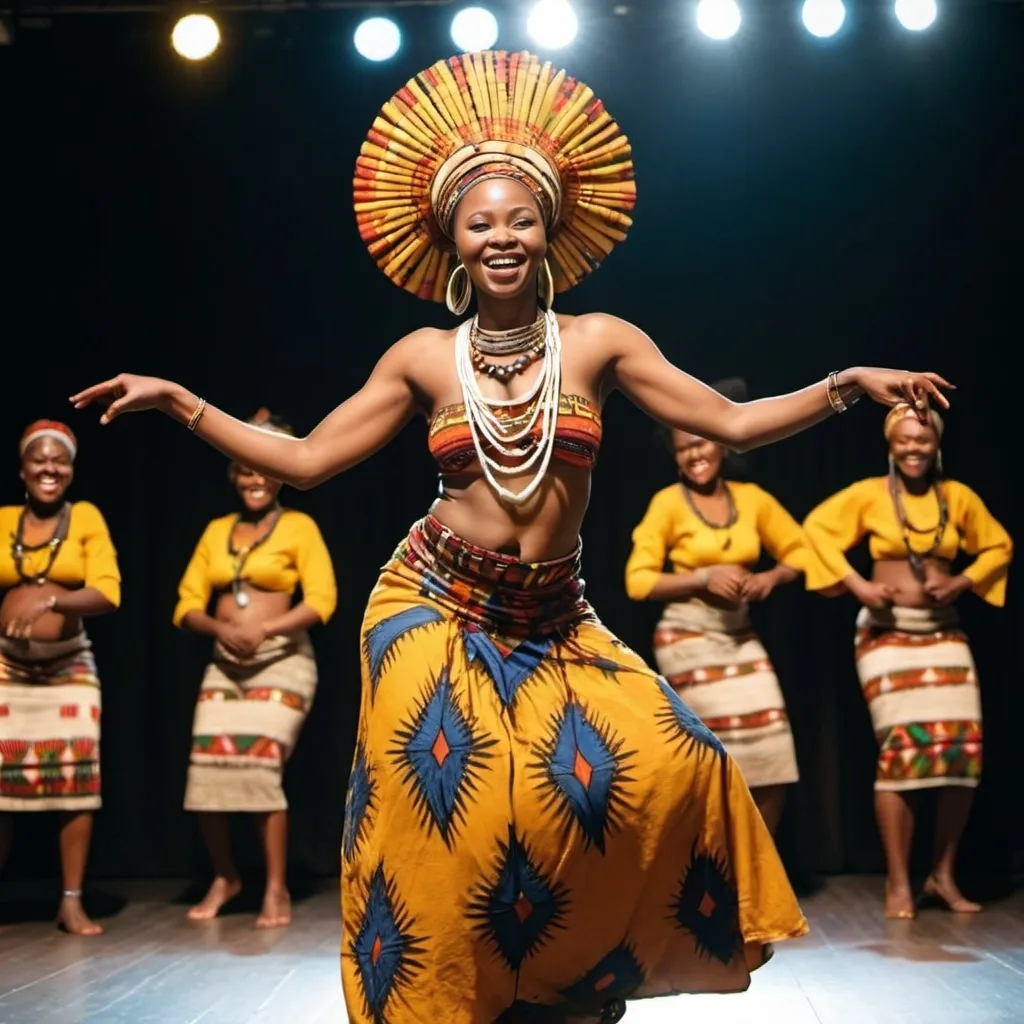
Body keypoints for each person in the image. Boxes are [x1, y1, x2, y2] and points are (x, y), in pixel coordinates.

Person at [72, 48, 952, 1024]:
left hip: (553, 612)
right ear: (452, 239)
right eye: (480, 221)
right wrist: (182, 401)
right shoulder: (420, 358)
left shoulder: (599, 342)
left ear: (549, 235)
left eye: (520, 218)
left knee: (668, 764)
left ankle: (567, 975)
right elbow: (310, 461)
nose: (501, 235)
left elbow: (730, 423)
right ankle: (444, 998)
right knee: (452, 804)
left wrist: (843, 386)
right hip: (433, 599)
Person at [802, 403, 1011, 919]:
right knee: (902, 750)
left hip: (944, 635)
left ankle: (942, 874)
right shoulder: (869, 495)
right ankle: (899, 882)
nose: (914, 448)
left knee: (960, 751)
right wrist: (858, 586)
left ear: (937, 444)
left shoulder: (956, 498)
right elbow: (815, 531)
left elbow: (999, 546)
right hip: (886, 637)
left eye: (923, 440)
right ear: (890, 443)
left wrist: (961, 581)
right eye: (905, 440)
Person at [174, 409, 337, 929]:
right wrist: (222, 630)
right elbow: (187, 602)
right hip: (226, 664)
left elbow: (322, 600)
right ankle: (226, 876)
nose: (255, 479)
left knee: (261, 769)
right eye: (246, 469)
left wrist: (263, 631)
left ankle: (275, 889)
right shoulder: (217, 531)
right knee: (206, 772)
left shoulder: (299, 527)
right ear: (235, 473)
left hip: (282, 663)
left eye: (264, 469)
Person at [625, 383, 808, 835]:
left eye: (701, 442)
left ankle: (758, 868)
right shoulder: (667, 504)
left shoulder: (751, 499)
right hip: (687, 637)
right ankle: (716, 872)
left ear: (721, 444)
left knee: (773, 749)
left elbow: (802, 552)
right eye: (683, 447)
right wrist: (702, 577)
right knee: (714, 756)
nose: (694, 455)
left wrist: (769, 577)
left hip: (739, 635)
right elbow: (638, 581)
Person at [0, 420, 120, 936]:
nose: (50, 469)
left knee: (75, 785)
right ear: (23, 468)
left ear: (70, 469)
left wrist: (52, 598)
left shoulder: (85, 517)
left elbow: (107, 592)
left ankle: (71, 900)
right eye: (39, 460)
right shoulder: (3, 519)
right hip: (7, 667)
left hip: (69, 666)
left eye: (60, 461)